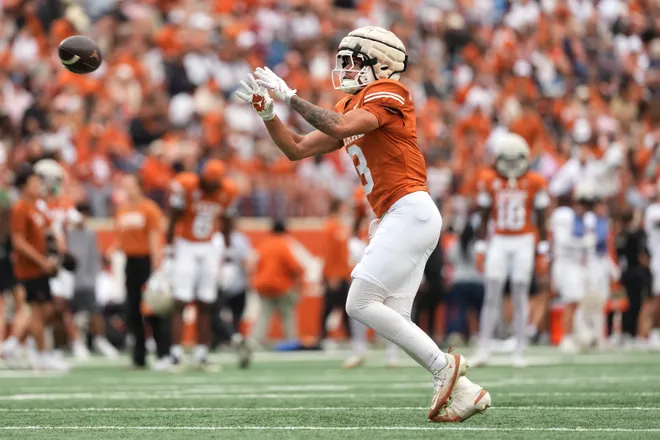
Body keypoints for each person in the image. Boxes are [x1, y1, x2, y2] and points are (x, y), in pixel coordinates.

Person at [236, 26, 489, 422]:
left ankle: (444, 368)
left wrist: (290, 96)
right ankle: (466, 390)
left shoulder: (389, 93)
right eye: (344, 62)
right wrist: (268, 112)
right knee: (393, 316)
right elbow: (296, 149)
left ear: (381, 65)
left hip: (409, 209)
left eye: (354, 61)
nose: (347, 69)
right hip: (399, 215)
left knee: (359, 302)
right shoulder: (352, 104)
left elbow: (338, 128)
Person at [472, 133, 550, 367]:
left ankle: (519, 349)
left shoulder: (536, 181)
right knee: (492, 294)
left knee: (519, 294)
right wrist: (481, 247)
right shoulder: (489, 180)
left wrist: (543, 250)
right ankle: (483, 348)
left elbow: (542, 218)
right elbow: (484, 217)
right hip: (499, 240)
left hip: (524, 240)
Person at [166, 159, 237, 370]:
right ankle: (176, 354)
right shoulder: (187, 186)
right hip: (186, 244)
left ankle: (201, 354)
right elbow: (173, 218)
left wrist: (228, 254)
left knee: (206, 303)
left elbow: (227, 223)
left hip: (209, 247)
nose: (211, 187)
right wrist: (169, 250)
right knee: (181, 301)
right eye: (209, 182)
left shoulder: (228, 191)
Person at [8, 163, 66, 371]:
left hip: (41, 267)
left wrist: (55, 254)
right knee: (37, 312)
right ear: (24, 186)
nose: (38, 185)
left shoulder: (36, 207)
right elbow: (18, 241)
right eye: (34, 182)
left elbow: (49, 230)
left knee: (47, 309)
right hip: (29, 268)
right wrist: (42, 261)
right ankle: (41, 355)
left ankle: (31, 349)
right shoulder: (21, 208)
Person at [112, 174, 169, 369]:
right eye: (124, 185)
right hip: (130, 262)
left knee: (154, 310)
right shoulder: (122, 210)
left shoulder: (149, 208)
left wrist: (157, 268)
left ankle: (164, 354)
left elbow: (155, 239)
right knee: (133, 311)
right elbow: (122, 238)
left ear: (139, 187)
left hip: (146, 262)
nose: (127, 189)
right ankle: (139, 356)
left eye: (130, 185)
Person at [550, 181, 598, 353]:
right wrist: (583, 243)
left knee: (577, 301)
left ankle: (577, 334)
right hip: (564, 263)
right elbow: (563, 242)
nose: (586, 207)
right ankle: (566, 337)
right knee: (571, 301)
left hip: (576, 264)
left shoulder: (587, 218)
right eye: (584, 203)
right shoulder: (564, 215)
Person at [68, 203, 119, 359]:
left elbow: (94, 258)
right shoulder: (67, 233)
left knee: (95, 311)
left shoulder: (90, 234)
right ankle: (77, 342)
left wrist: (94, 278)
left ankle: (99, 339)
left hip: (88, 280)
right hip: (69, 281)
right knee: (70, 313)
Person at [250, 219, 305, 346]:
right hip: (280, 285)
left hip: (263, 285)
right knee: (287, 314)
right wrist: (297, 284)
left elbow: (256, 266)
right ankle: (291, 341)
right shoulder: (283, 245)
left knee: (264, 315)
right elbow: (295, 267)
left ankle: (253, 341)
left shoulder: (264, 244)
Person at [213, 213, 253, 368]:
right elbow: (247, 262)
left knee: (215, 316)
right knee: (232, 318)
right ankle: (234, 341)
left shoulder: (217, 239)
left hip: (221, 285)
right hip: (237, 284)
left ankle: (231, 340)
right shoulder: (240, 239)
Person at [319, 199, 352, 348]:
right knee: (329, 307)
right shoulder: (331, 227)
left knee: (346, 307)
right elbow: (329, 253)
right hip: (335, 275)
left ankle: (349, 337)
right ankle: (324, 336)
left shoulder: (340, 226)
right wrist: (331, 274)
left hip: (343, 274)